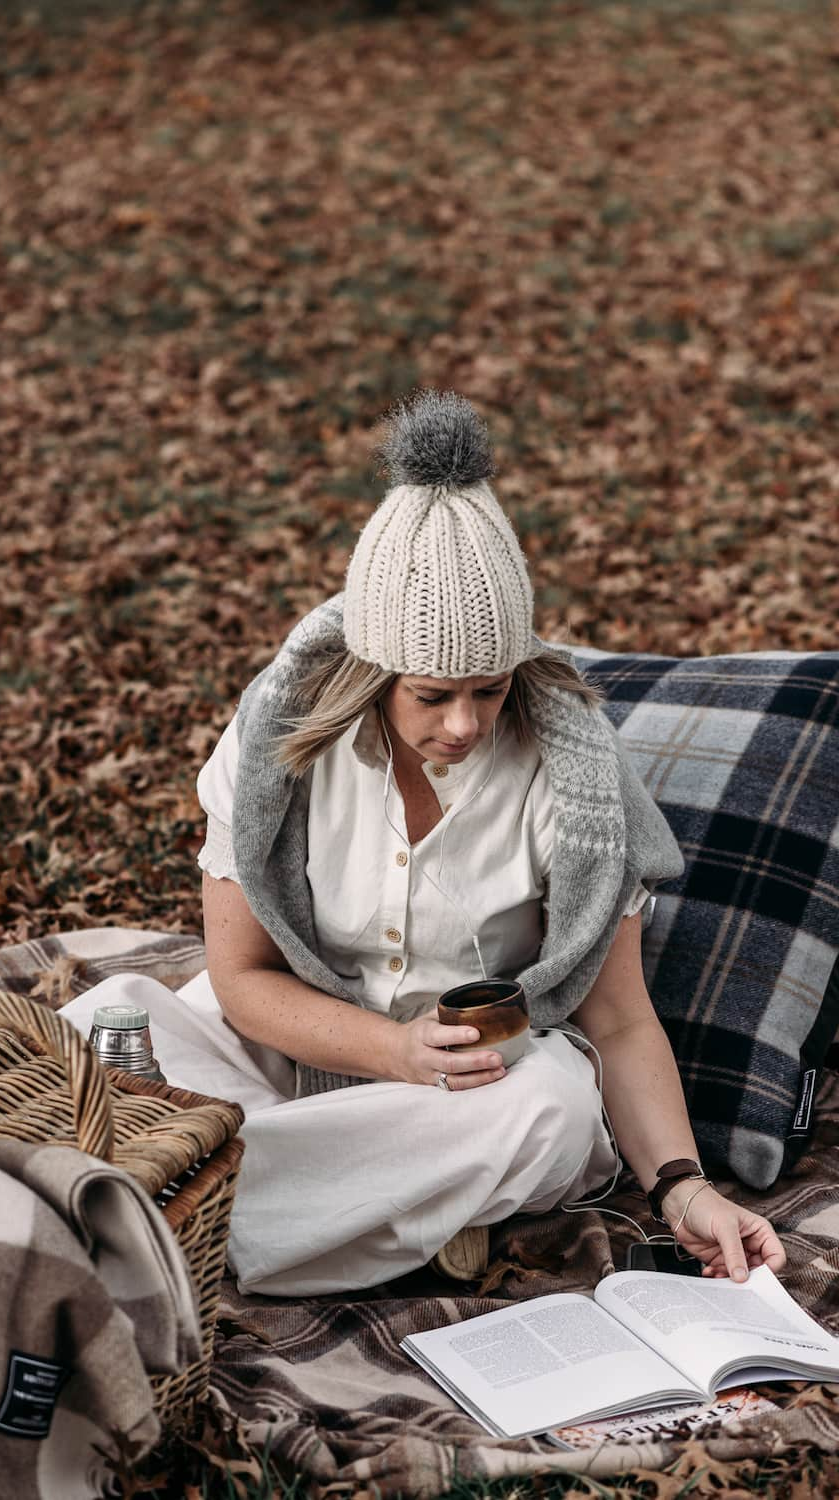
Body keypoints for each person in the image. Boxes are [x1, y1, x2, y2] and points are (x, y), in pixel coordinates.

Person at [61, 390, 786, 1297]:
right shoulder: (275, 748)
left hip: (475, 1093)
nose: (467, 724)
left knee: (553, 1114)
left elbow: (619, 1020)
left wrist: (686, 1192)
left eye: (489, 690)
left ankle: (169, 1213)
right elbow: (242, 978)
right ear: (372, 672)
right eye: (432, 695)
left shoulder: (577, 781)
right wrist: (388, 1051)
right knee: (109, 1020)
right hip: (299, 1050)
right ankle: (378, 1218)